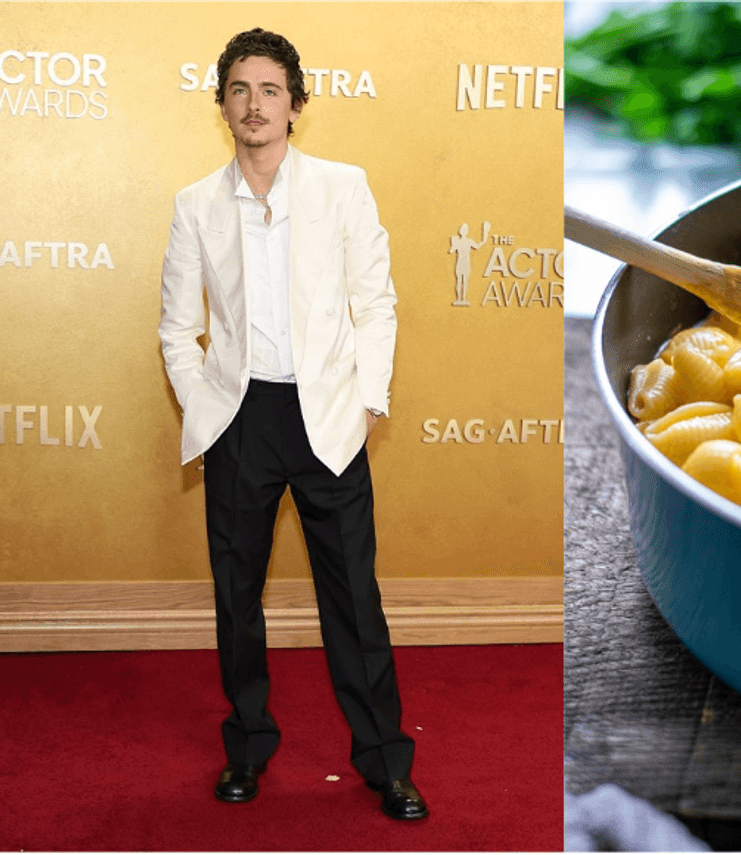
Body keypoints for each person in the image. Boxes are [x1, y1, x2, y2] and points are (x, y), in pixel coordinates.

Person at [158, 27, 426, 821]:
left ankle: (386, 761)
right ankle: (246, 747)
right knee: (236, 596)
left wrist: (368, 397)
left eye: (270, 89)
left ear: (295, 105)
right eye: (239, 89)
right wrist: (206, 405)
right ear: (223, 105)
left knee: (354, 599)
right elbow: (177, 326)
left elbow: (373, 302)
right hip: (240, 417)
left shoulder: (343, 187)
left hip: (329, 415)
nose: (254, 103)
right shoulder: (195, 205)